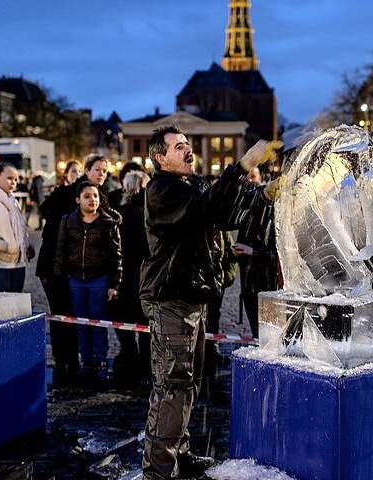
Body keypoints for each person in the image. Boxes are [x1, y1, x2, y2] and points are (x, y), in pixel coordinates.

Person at [139, 125, 279, 479]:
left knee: (188, 383)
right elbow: (205, 209)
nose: (189, 151)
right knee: (172, 387)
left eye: (188, 145)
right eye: (179, 146)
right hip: (171, 298)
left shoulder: (193, 184)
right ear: (160, 157)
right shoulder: (162, 190)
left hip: (194, 297)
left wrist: (263, 197)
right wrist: (241, 164)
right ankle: (158, 471)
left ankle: (180, 456)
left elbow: (226, 214)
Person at [38, 155, 117, 384]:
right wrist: (59, 269)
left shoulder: (98, 194)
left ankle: (79, 363)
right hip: (59, 267)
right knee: (65, 316)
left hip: (82, 270)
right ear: (87, 171)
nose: (102, 174)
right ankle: (67, 364)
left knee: (83, 317)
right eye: (98, 170)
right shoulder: (72, 193)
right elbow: (56, 233)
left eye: (105, 171)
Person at [54, 181, 122, 384]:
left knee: (98, 322)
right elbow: (60, 251)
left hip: (99, 280)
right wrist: (60, 280)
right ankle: (86, 361)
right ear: (78, 200)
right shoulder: (67, 221)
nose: (92, 199)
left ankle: (101, 361)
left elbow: (116, 256)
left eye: (95, 196)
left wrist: (114, 284)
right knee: (81, 323)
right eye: (87, 196)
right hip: (75, 280)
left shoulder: (108, 223)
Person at [113, 170, 151, 388]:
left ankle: (130, 363)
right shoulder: (146, 214)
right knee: (145, 324)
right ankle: (145, 368)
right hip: (143, 275)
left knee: (126, 324)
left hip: (124, 275)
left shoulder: (121, 213)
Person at [233, 167, 278, 338]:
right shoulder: (244, 210)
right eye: (247, 178)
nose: (250, 181)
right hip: (249, 285)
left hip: (268, 285)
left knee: (269, 335)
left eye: (253, 177)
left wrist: (252, 251)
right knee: (257, 333)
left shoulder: (273, 212)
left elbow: (277, 254)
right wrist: (236, 252)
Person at [0, 162, 33, 293]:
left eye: (16, 179)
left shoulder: (13, 200)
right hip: (0, 263)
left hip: (19, 262)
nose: (14, 182)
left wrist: (26, 245)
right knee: (2, 306)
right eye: (9, 178)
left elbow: (20, 227)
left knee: (15, 305)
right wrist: (4, 246)